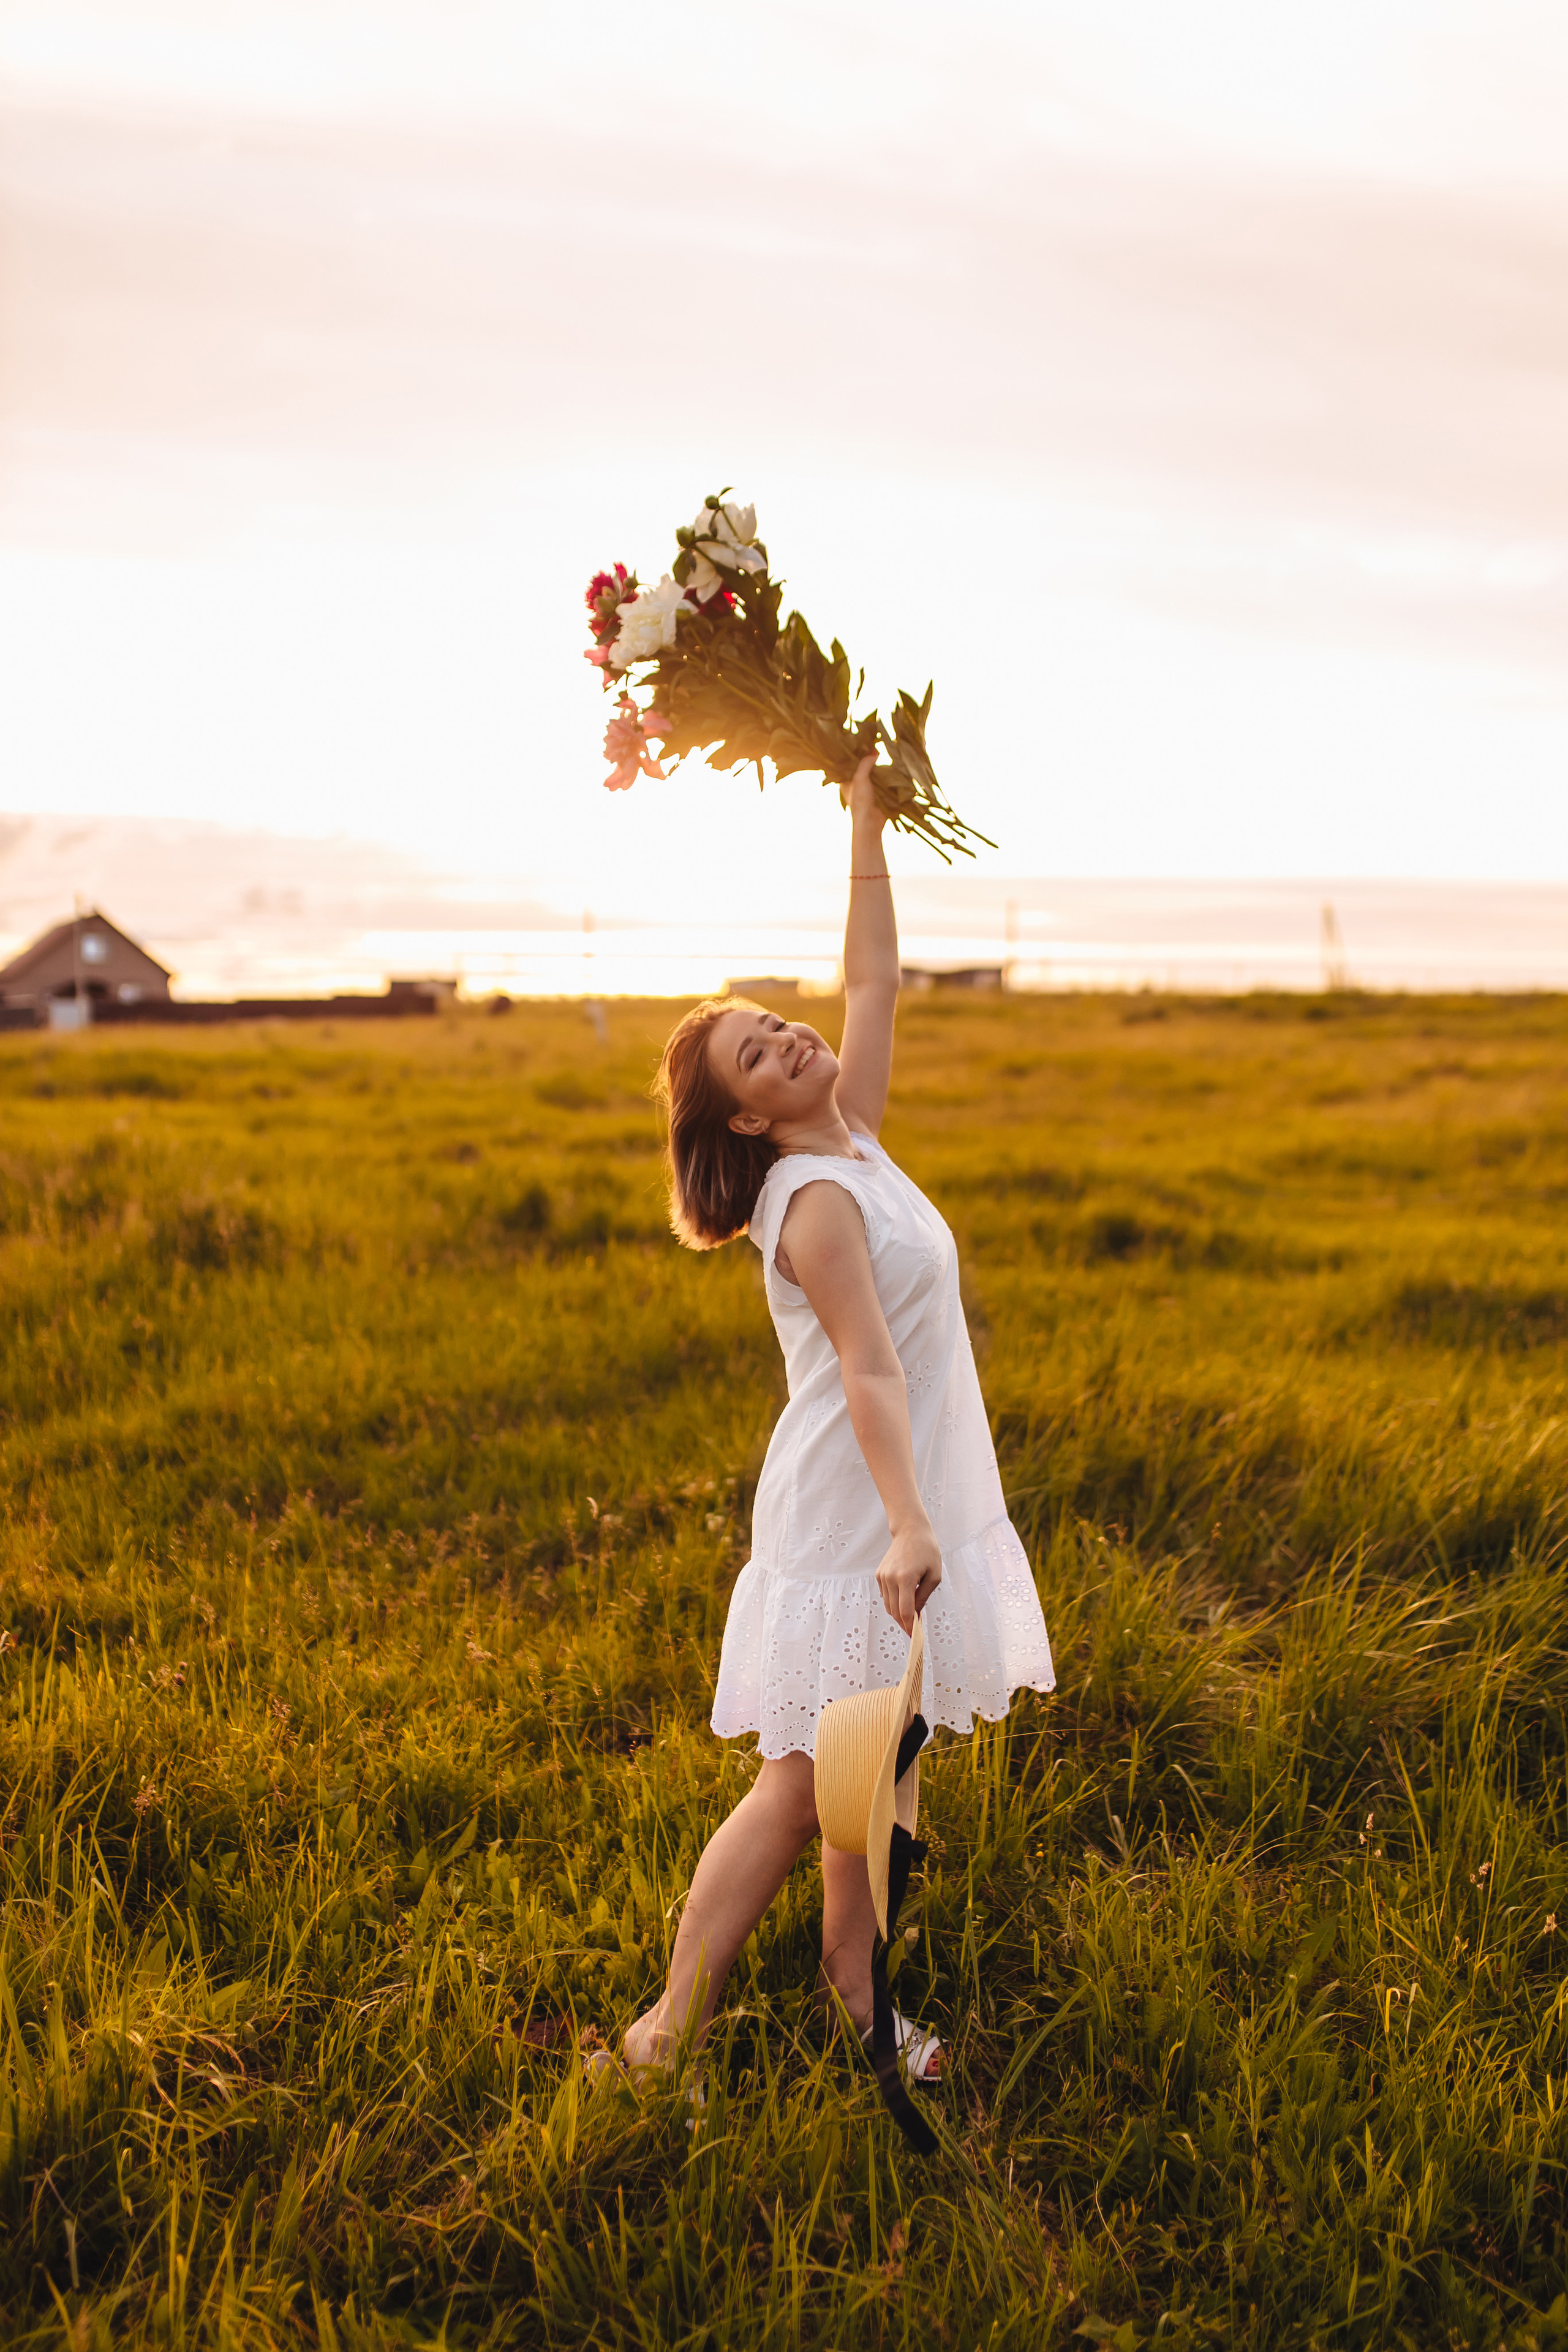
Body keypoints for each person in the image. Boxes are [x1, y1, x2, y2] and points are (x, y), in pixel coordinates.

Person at [622, 755, 1055, 2087]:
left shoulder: (849, 1134)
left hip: (899, 1500)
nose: (790, 1039)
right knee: (808, 1784)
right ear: (749, 1114)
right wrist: (912, 1524)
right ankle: (664, 2035)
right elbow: (869, 1370)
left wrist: (864, 819)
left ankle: (856, 1995)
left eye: (776, 1022)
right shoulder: (811, 1201)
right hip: (855, 1513)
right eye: (757, 1054)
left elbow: (871, 981)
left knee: (874, 1772)